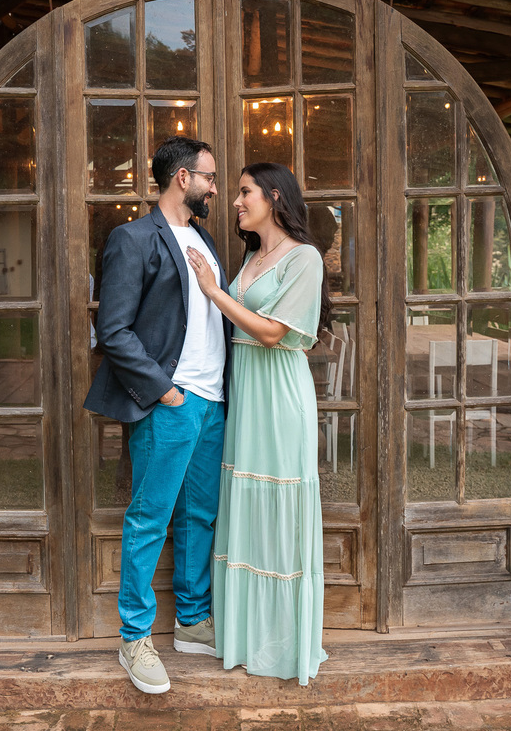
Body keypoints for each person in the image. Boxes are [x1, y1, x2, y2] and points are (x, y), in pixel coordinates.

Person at [83, 136, 232, 695]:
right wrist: (165, 391)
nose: (216, 187)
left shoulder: (205, 238)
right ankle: (134, 637)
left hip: (213, 402)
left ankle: (193, 621)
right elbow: (113, 330)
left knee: (200, 516)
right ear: (181, 179)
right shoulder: (134, 238)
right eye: (209, 177)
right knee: (150, 518)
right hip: (169, 402)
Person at [186, 161, 333, 686]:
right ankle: (248, 636)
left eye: (245, 192)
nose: (236, 200)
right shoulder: (251, 255)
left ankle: (285, 642)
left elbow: (272, 333)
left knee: (279, 508)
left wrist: (213, 291)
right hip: (245, 397)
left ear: (274, 196)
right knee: (244, 508)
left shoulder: (305, 258)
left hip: (280, 399)